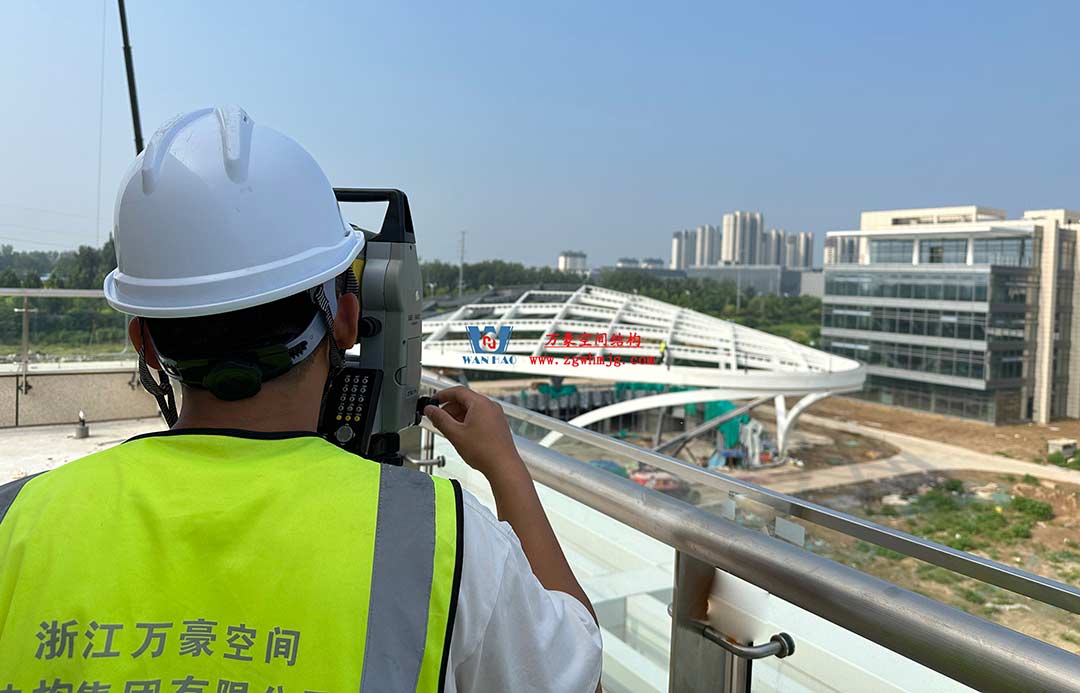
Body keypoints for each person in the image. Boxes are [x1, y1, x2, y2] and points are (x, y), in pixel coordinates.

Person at [0, 107, 601, 691]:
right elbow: (580, 681)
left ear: (146, 344)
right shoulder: (444, 543)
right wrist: (506, 468)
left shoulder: (15, 521)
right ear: (345, 319)